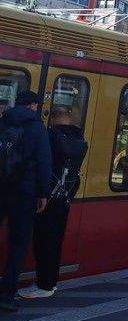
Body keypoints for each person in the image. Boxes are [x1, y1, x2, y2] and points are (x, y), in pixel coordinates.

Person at [19, 106, 88, 300]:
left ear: (52, 119)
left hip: (47, 199)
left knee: (43, 242)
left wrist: (41, 193)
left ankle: (44, 285)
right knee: (55, 242)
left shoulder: (50, 137)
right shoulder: (80, 140)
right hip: (64, 199)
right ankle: (50, 282)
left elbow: (42, 166)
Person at [0, 90, 52, 312]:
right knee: (18, 244)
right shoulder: (37, 128)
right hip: (25, 193)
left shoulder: (3, 122)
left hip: (1, 188)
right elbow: (44, 162)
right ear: (32, 105)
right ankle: (6, 296)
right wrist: (43, 194)